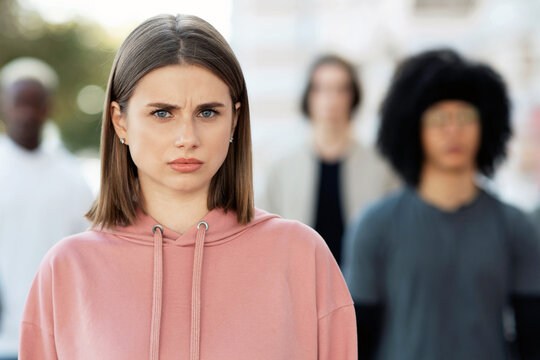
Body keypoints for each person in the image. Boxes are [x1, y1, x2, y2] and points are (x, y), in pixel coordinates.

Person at [19, 14, 356, 359]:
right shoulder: (67, 269)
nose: (187, 138)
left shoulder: (301, 255)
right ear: (121, 122)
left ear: (234, 120)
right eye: (163, 113)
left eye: (207, 113)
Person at [343, 49, 540, 360]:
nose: (453, 130)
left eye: (465, 116)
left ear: (486, 124)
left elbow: (533, 337)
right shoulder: (375, 225)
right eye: (438, 118)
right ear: (413, 128)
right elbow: (357, 340)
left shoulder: (516, 227)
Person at [261, 54, 397, 265]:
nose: (331, 99)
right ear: (308, 96)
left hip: (361, 290)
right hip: (298, 289)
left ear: (353, 97)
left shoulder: (381, 167)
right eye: (321, 88)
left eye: (341, 89)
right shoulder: (281, 169)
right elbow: (264, 239)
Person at [0, 57, 93, 360]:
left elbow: (88, 254)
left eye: (35, 103)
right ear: (4, 104)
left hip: (55, 340)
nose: (27, 112)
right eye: (19, 102)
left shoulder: (73, 178)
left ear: (48, 107)